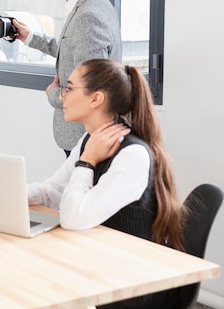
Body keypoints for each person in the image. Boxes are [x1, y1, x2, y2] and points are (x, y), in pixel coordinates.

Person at [27, 58, 186, 309]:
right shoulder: (90, 140)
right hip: (100, 263)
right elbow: (53, 191)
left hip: (128, 285)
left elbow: (73, 218)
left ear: (96, 99)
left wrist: (87, 162)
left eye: (69, 88)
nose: (61, 97)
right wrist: (10, 193)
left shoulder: (132, 155)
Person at [12, 0, 122, 156]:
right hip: (86, 136)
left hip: (85, 138)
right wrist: (30, 37)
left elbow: (90, 91)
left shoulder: (88, 16)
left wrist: (53, 93)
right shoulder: (95, 4)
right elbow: (72, 47)